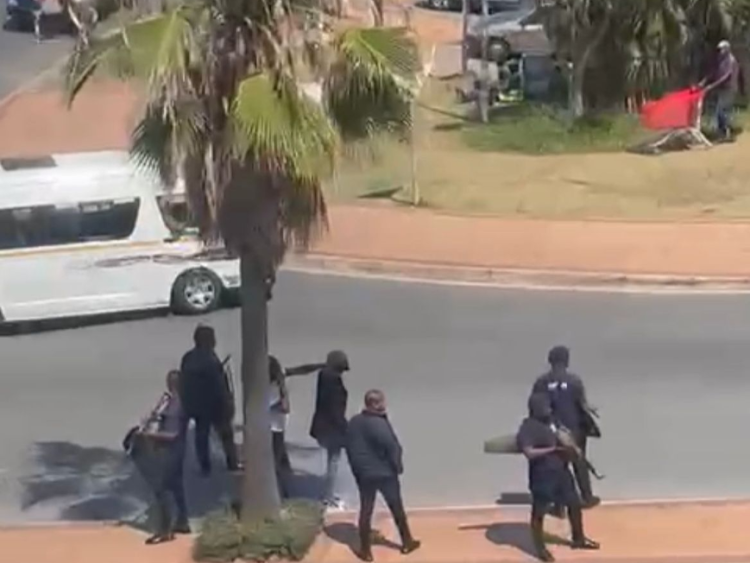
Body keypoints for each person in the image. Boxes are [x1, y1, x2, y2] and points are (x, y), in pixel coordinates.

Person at [517, 393, 599, 562]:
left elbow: (565, 436)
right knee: (539, 512)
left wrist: (571, 450)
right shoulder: (528, 428)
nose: (548, 409)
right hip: (542, 476)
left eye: (549, 406)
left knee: (574, 504)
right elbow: (529, 452)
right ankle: (540, 550)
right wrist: (552, 450)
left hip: (562, 472)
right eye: (545, 406)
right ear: (535, 409)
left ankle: (578, 538)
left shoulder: (553, 422)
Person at [346, 390, 421, 562]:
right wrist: (398, 467)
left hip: (364, 474)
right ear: (374, 404)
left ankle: (365, 551)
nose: (384, 405)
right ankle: (407, 542)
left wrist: (357, 469)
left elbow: (349, 446)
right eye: (381, 402)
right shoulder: (379, 424)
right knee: (396, 509)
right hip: (385, 474)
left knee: (366, 510)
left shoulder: (354, 422)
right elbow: (393, 447)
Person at [532, 346, 600, 509]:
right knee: (579, 463)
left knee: (556, 465)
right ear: (566, 361)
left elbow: (535, 407)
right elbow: (582, 405)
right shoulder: (574, 381)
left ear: (550, 361)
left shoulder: (541, 382)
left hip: (551, 430)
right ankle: (587, 497)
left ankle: (558, 503)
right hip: (574, 430)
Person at [179, 325, 240, 476]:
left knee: (201, 435)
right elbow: (219, 386)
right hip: (214, 405)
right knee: (226, 434)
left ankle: (204, 466)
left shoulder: (188, 357)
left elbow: (183, 381)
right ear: (208, 340)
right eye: (212, 338)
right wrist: (227, 402)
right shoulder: (211, 360)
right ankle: (232, 463)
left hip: (196, 405)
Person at [139, 370, 190, 544]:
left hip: (172, 449)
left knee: (162, 488)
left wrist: (151, 436)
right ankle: (183, 522)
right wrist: (155, 414)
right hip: (173, 449)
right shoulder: (170, 402)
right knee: (176, 486)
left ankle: (164, 529)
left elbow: (173, 434)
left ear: (172, 383)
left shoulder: (178, 406)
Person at [268, 355, 325, 498]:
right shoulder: (265, 387)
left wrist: (320, 365)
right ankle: (281, 491)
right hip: (271, 428)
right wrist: (282, 402)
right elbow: (275, 407)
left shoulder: (278, 376)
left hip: (278, 426)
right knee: (277, 459)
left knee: (281, 457)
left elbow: (300, 370)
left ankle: (286, 485)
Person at [309, 350, 350, 509]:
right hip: (332, 428)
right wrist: (346, 430)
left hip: (321, 425)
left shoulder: (323, 376)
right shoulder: (334, 383)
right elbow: (335, 410)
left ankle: (328, 494)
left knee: (331, 461)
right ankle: (329, 496)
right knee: (333, 462)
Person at [700, 40, 740, 141]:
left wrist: (712, 86)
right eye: (719, 49)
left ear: (727, 49)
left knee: (722, 111)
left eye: (722, 49)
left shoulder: (731, 61)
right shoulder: (721, 60)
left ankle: (727, 134)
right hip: (722, 89)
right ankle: (722, 132)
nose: (720, 51)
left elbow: (726, 77)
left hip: (729, 89)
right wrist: (704, 81)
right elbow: (714, 73)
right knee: (720, 111)